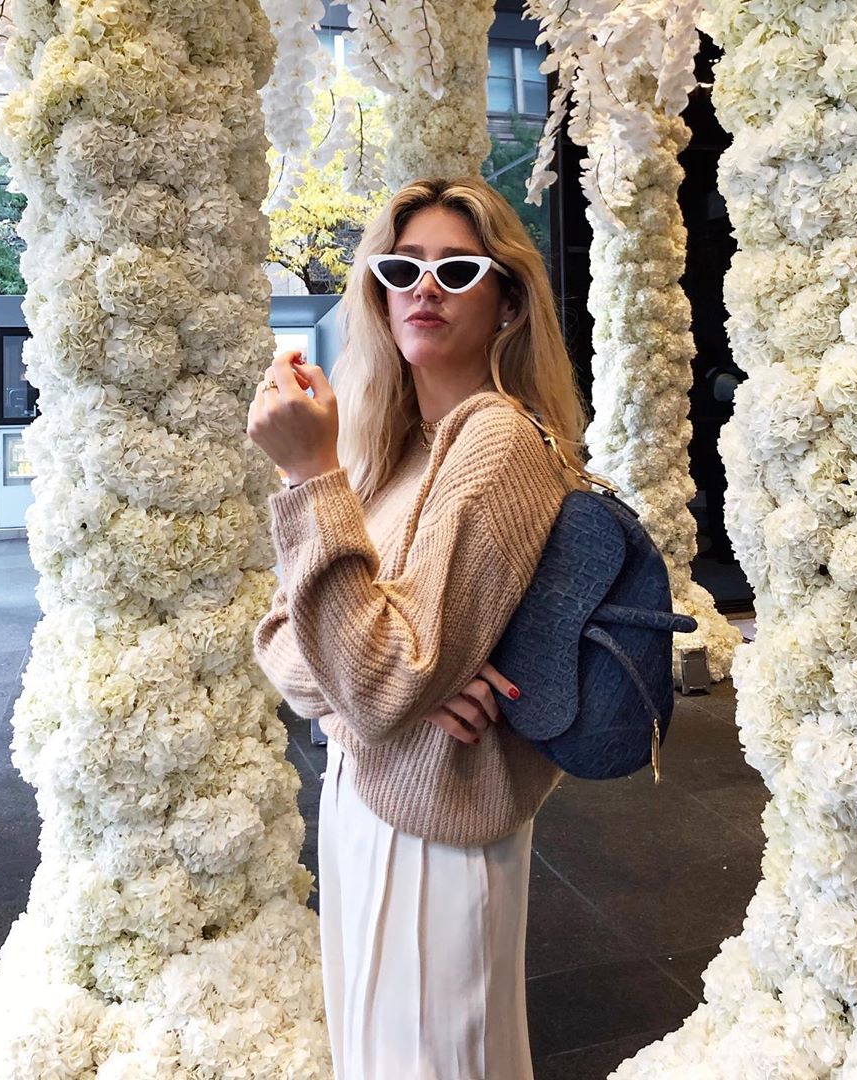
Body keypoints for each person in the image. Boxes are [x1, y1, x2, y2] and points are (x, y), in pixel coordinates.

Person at [248, 175, 591, 1080]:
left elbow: (380, 674)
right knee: (374, 1054)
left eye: (457, 269)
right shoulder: (390, 445)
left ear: (507, 300)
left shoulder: (498, 439)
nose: (423, 288)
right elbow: (281, 640)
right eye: (400, 269)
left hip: (440, 820)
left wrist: (310, 478)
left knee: (437, 1061)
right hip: (364, 792)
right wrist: (400, 690)